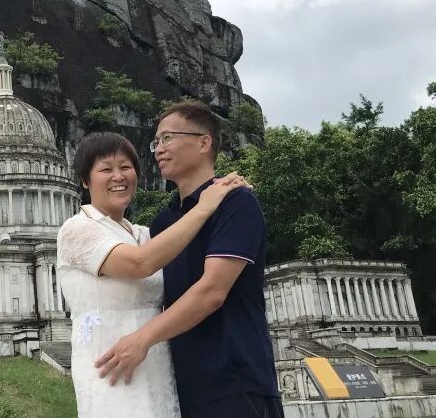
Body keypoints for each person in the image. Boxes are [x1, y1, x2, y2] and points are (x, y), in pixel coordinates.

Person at [95, 101, 282, 418]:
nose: (158, 149)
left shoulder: (237, 202)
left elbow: (212, 292)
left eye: (168, 138)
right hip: (182, 385)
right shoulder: (164, 222)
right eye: (156, 142)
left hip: (236, 381)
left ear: (204, 142)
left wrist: (142, 339)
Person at [57, 131, 249, 418]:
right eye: (106, 169)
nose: (119, 176)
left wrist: (226, 197)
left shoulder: (144, 234)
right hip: (110, 368)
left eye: (126, 167)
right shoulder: (76, 229)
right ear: (85, 180)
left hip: (157, 365)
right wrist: (205, 206)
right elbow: (140, 264)